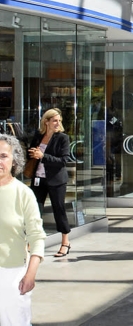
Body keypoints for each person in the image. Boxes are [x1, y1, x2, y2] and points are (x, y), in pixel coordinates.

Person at [0, 134, 47, 325]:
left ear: (14, 161)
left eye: (3, 156)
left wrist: (30, 274)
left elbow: (37, 236)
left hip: (12, 274)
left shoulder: (23, 194)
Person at [27, 108, 72, 257]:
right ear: (46, 122)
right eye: (54, 121)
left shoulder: (63, 138)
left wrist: (43, 156)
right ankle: (32, 242)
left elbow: (63, 161)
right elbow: (31, 152)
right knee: (34, 211)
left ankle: (65, 241)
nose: (58, 123)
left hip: (56, 180)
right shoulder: (38, 136)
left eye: (59, 121)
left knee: (59, 210)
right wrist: (32, 153)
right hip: (38, 179)